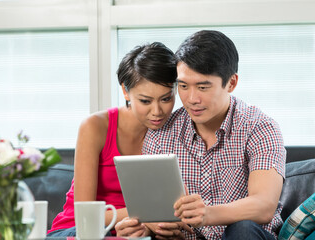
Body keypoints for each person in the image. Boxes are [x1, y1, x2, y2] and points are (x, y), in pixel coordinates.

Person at [115, 30, 286, 240]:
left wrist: (207, 214)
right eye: (184, 86)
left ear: (231, 83)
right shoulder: (161, 135)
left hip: (245, 236)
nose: (192, 99)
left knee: (242, 229)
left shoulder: (259, 127)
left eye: (203, 87)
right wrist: (145, 228)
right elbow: (157, 215)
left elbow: (264, 206)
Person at [47, 42, 180, 237]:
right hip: (80, 229)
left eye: (166, 99)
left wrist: (151, 223)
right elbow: (86, 214)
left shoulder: (177, 131)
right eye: (145, 101)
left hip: (138, 231)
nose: (157, 111)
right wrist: (147, 217)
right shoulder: (95, 126)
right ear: (125, 91)